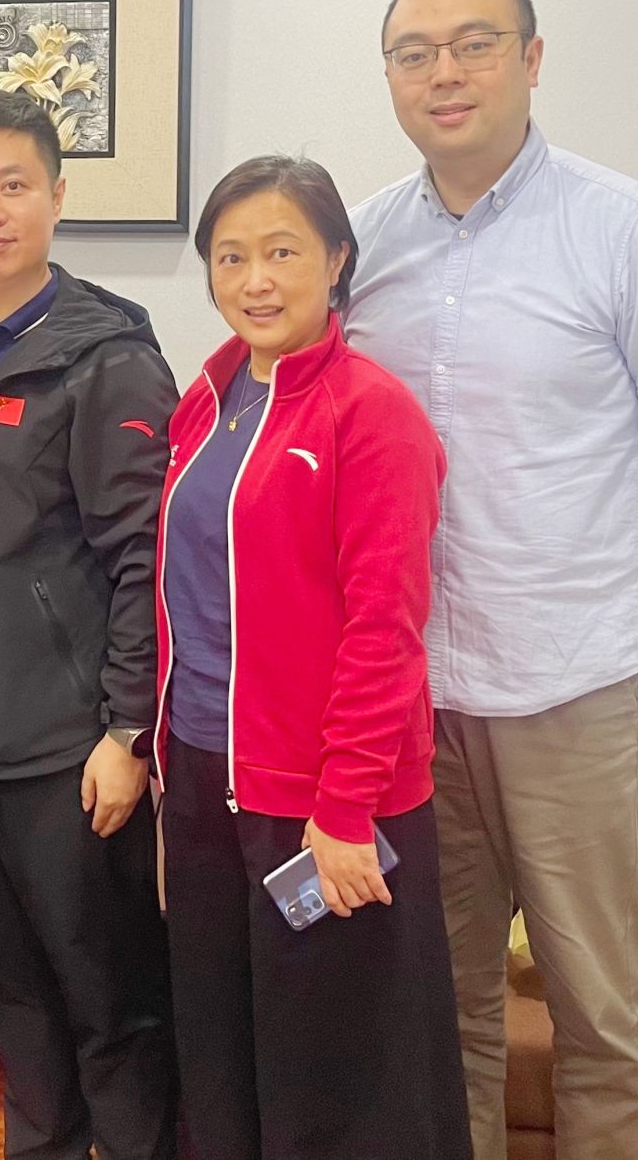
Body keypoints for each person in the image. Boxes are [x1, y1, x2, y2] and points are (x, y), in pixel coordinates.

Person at [348, 0, 638, 1160]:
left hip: (574, 691)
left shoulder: (627, 229)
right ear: (388, 76)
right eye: (413, 52)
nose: (442, 72)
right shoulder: (360, 242)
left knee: (596, 1011)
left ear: (530, 60)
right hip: (413, 696)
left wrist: (594, 585)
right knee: (443, 1006)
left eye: (472, 44)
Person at [158, 155, 467, 1160]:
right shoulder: (207, 400)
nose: (255, 279)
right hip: (204, 782)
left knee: (337, 1086)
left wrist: (344, 810)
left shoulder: (370, 413)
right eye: (230, 256)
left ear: (336, 260)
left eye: (282, 252)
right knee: (221, 1057)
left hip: (324, 803)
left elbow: (384, 629)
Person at [0, 89, 178, 1160]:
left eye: (13, 185)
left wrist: (125, 732)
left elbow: (143, 558)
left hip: (69, 750)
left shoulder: (105, 356)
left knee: (109, 1002)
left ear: (57, 197)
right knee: (11, 997)